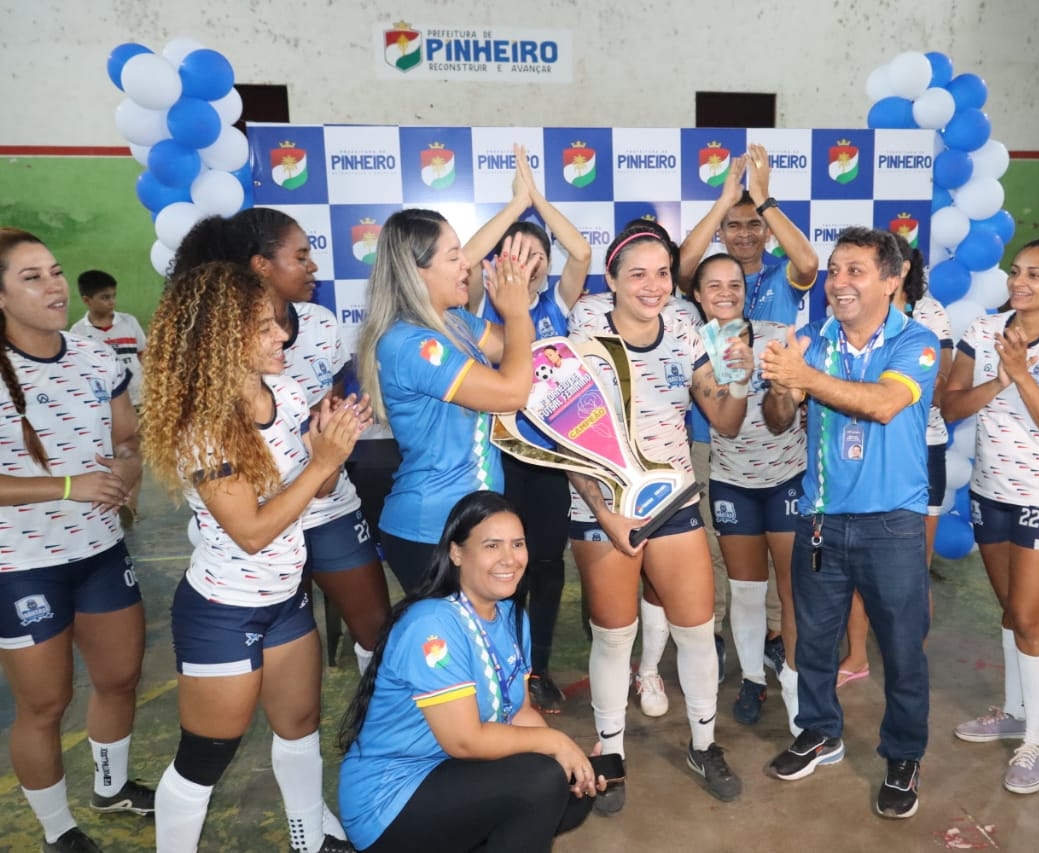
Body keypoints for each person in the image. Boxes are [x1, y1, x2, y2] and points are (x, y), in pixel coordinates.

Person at [143, 260, 369, 853]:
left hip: (286, 599)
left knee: (300, 728)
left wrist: (331, 447)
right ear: (220, 340)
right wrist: (321, 463)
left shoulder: (287, 393)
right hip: (225, 611)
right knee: (205, 758)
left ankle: (308, 838)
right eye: (265, 327)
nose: (282, 336)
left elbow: (317, 491)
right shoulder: (204, 427)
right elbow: (251, 533)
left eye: (278, 323)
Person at [565, 223, 753, 812]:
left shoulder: (685, 330)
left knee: (696, 628)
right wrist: (604, 513)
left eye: (664, 274)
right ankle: (611, 753)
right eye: (638, 274)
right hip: (605, 505)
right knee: (614, 637)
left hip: (673, 501)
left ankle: (704, 744)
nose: (653, 286)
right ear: (612, 280)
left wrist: (739, 375)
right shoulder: (586, 334)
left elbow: (725, 421)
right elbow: (566, 441)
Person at [760, 226, 938, 820]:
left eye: (855, 271)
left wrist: (803, 377)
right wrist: (781, 386)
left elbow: (883, 404)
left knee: (903, 650)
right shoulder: (812, 339)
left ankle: (904, 756)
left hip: (893, 523)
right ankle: (818, 731)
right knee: (813, 640)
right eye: (834, 270)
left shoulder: (918, 342)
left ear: (892, 280)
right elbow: (779, 418)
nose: (838, 282)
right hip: (821, 517)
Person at [171, 209, 391, 674]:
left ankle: (379, 710)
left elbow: (324, 420)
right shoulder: (207, 416)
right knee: (283, 643)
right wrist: (321, 460)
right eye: (301, 255)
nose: (313, 266)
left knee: (374, 634)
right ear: (261, 265)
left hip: (325, 509)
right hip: (255, 554)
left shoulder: (313, 337)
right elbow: (250, 529)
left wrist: (331, 433)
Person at [337, 491, 600, 852]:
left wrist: (572, 760)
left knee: (571, 789)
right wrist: (555, 744)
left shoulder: (511, 615)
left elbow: (520, 712)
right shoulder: (432, 625)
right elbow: (465, 741)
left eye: (518, 544)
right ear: (457, 553)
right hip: (390, 798)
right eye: (492, 545)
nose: (509, 558)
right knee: (541, 782)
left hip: (448, 772)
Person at [0, 228, 151, 853]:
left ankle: (110, 789)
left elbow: (128, 438)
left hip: (101, 552)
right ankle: (57, 829)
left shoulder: (96, 356)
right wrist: (69, 486)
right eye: (32, 277)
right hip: (21, 566)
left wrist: (127, 469)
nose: (55, 286)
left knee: (119, 678)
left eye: (56, 271)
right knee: (45, 704)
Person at [940, 238, 1039, 795]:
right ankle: (1012, 712)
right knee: (1012, 612)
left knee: (1032, 619)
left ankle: (1036, 740)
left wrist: (1023, 375)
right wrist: (999, 380)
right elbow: (950, 404)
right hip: (991, 492)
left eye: (1035, 274)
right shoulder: (984, 329)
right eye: (1016, 271)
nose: (1019, 281)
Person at [460, 145, 589, 713]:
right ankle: (499, 665)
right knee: (498, 566)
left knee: (546, 567)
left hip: (549, 458)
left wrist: (537, 199)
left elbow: (581, 251)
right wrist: (515, 209)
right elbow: (466, 259)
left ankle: (536, 668)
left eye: (537, 253)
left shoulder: (556, 302)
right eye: (515, 250)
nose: (527, 260)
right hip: (493, 458)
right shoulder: (474, 305)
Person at [356, 209, 535, 594]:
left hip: (473, 519)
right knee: (451, 631)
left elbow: (519, 346)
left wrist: (517, 311)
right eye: (454, 257)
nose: (466, 264)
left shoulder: (453, 321)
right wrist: (517, 311)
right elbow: (512, 392)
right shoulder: (411, 343)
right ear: (417, 271)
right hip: (433, 529)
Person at [687, 252, 806, 729]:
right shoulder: (695, 347)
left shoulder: (777, 338)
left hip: (787, 480)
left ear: (746, 289)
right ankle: (753, 678)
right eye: (713, 286)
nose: (725, 293)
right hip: (732, 483)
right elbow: (728, 426)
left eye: (734, 284)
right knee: (747, 591)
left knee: (792, 591)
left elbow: (783, 420)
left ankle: (796, 692)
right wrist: (739, 377)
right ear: (698, 296)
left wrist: (779, 388)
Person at [839, 237, 953, 685]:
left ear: (899, 270)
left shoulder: (928, 317)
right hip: (861, 451)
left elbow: (935, 389)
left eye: (860, 267)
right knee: (854, 566)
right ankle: (856, 658)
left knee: (911, 570)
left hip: (920, 452)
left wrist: (887, 386)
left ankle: (909, 662)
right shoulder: (847, 315)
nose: (847, 279)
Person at [678, 143, 819, 325]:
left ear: (768, 233)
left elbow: (808, 263)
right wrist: (724, 201)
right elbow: (680, 268)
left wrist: (763, 198)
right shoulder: (707, 279)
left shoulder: (783, 278)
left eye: (754, 224)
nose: (744, 233)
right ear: (721, 234)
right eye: (734, 226)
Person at [70, 268, 147, 526]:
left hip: (136, 400)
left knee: (134, 455)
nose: (111, 302)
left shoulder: (129, 322)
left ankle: (130, 507)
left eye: (113, 296)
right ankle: (115, 501)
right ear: (87, 300)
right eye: (104, 297)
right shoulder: (79, 333)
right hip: (103, 405)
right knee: (110, 457)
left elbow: (144, 355)